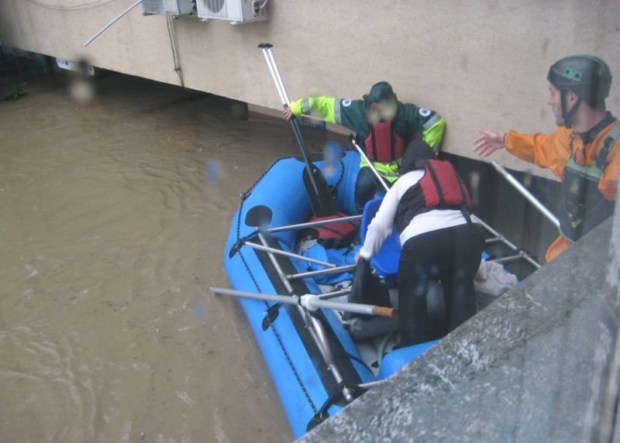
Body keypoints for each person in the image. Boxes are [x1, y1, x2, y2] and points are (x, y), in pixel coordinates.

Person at [474, 55, 620, 262]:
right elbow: (541, 148)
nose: (549, 101)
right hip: (567, 257)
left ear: (572, 96)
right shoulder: (570, 138)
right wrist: (505, 140)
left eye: (553, 93)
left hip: (601, 268)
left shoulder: (616, 149)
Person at [356, 140, 484, 347]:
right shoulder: (453, 178)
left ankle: (412, 348)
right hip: (467, 239)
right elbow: (466, 214)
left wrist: (365, 254)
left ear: (408, 163)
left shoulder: (403, 182)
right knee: (461, 297)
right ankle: (464, 349)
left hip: (423, 243)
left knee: (412, 299)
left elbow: (380, 225)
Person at [284, 82, 446, 212]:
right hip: (370, 166)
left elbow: (436, 122)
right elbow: (327, 105)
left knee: (406, 204)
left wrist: (423, 152)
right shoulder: (358, 112)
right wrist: (296, 108)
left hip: (400, 171)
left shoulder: (405, 113)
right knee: (361, 191)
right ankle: (360, 215)